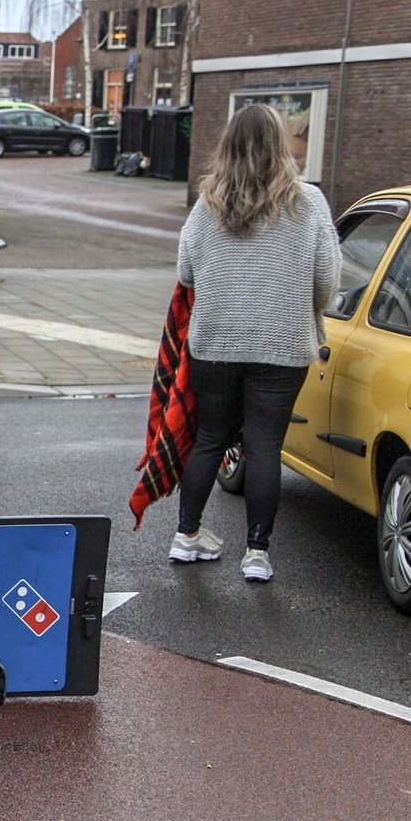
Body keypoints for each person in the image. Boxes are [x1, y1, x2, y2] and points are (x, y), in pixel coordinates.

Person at [169, 103, 341, 582]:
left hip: (216, 342)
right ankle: (257, 554)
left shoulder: (207, 204)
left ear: (228, 146)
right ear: (280, 145)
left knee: (210, 439)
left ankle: (187, 536)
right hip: (282, 345)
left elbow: (186, 273)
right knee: (265, 446)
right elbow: (326, 281)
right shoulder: (308, 203)